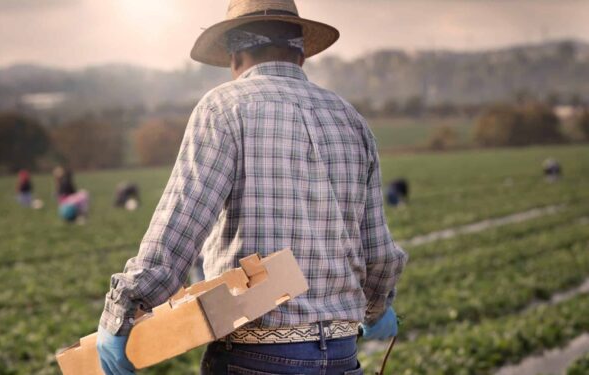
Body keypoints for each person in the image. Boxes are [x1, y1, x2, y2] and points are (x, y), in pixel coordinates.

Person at [96, 1, 407, 374]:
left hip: (256, 353)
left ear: (236, 54)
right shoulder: (350, 118)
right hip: (341, 355)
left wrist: (124, 309)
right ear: (301, 54)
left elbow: (180, 229)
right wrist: (377, 309)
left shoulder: (222, 109)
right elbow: (380, 252)